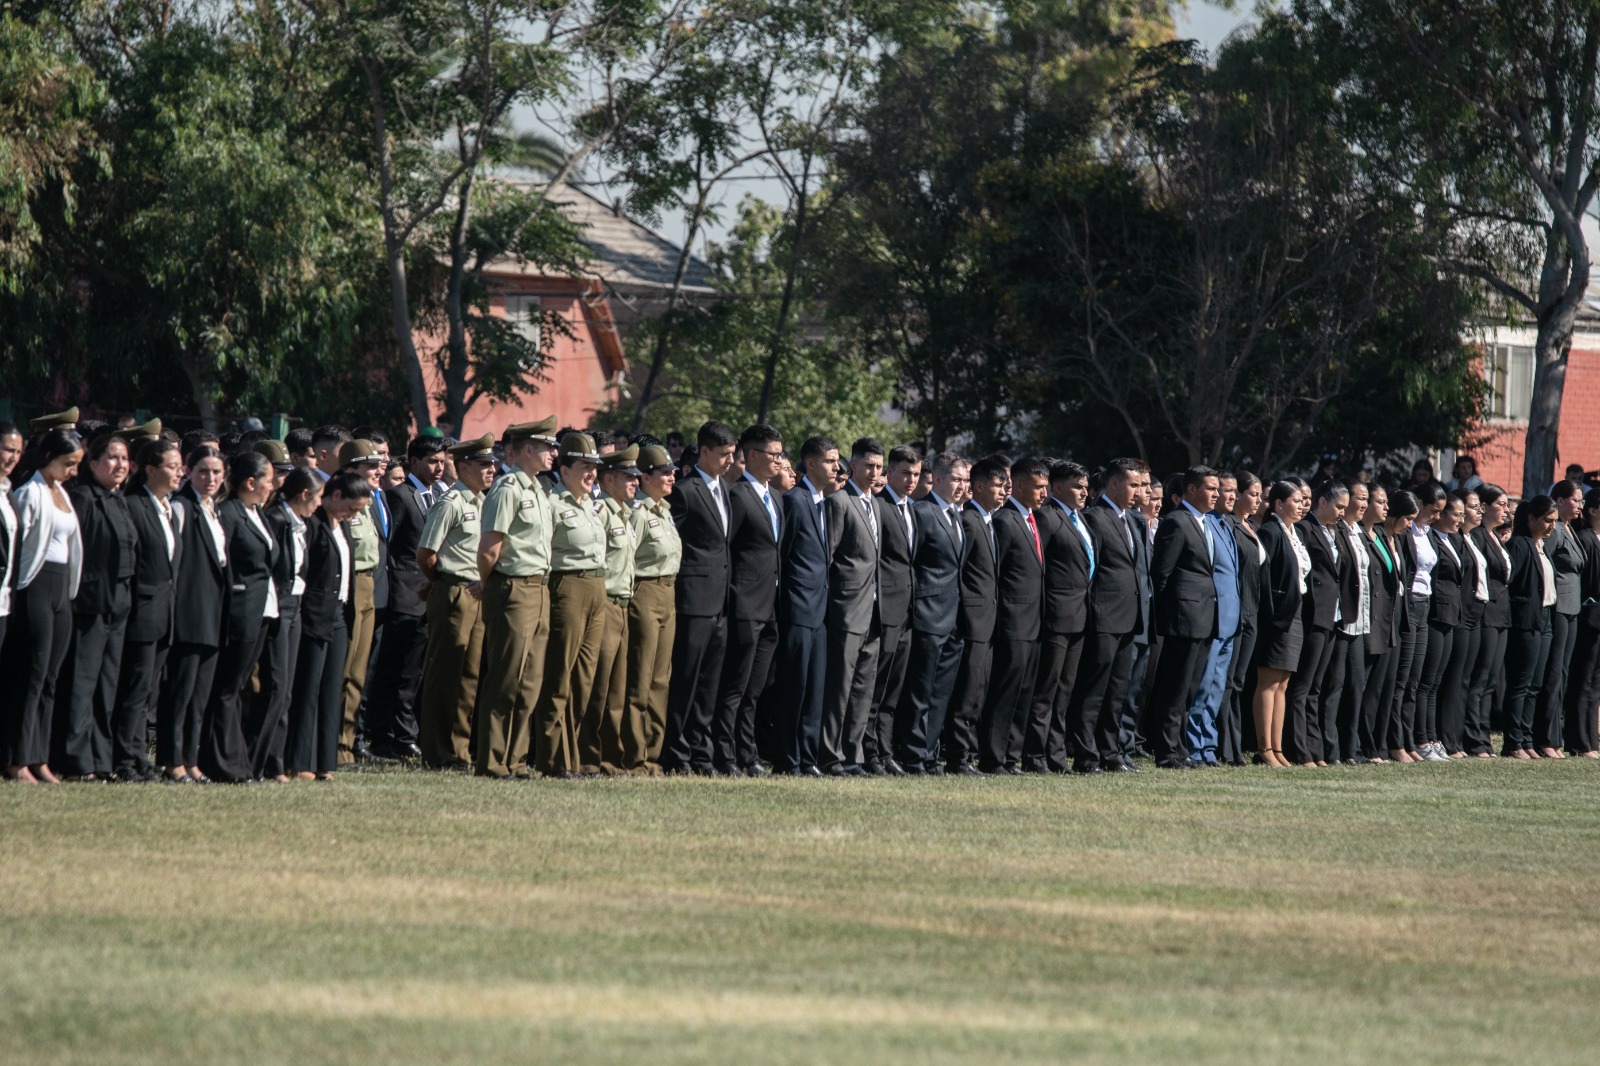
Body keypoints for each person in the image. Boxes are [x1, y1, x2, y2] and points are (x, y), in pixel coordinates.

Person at [475, 418, 560, 778]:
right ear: (527, 450)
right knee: (506, 678)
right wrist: (492, 585)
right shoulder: (507, 488)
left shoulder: (538, 488)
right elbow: (490, 548)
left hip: (538, 588)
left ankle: (517, 759)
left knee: (530, 681)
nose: (553, 454)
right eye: (546, 447)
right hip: (513, 588)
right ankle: (492, 761)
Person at [2, 428, 85, 783]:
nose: (73, 471)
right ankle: (16, 758)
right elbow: (20, 550)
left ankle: (39, 756)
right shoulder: (29, 493)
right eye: (68, 463)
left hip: (60, 589)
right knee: (33, 675)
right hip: (35, 585)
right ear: (49, 457)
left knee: (51, 676)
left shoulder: (63, 493)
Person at [55, 431, 139, 780]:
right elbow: (79, 555)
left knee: (107, 685)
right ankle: (76, 760)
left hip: (119, 604)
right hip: (91, 603)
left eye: (123, 458)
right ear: (92, 464)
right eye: (111, 458)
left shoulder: (120, 499)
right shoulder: (85, 499)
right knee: (82, 683)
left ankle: (101, 760)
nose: (119, 464)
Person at [197, 451, 279, 784]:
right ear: (250, 482)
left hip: (261, 609)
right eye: (268, 480)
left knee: (238, 686)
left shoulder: (255, 512)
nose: (272, 486)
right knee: (227, 688)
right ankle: (223, 763)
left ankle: (237, 761)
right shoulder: (229, 514)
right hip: (240, 611)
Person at [414, 435, 496, 770]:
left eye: (492, 464)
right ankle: (436, 751)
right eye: (483, 465)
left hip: (476, 593)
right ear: (462, 467)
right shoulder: (451, 502)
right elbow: (426, 553)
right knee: (444, 675)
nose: (491, 470)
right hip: (454, 591)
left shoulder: (481, 502)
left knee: (469, 676)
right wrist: (441, 582)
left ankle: (459, 751)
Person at [661, 421, 736, 775]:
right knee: (686, 682)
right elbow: (671, 543)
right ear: (703, 452)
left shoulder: (726, 491)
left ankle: (702, 754)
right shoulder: (685, 491)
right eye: (723, 455)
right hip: (693, 601)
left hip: (721, 602)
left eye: (732, 454)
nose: (728, 461)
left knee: (709, 685)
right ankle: (676, 754)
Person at [365, 436, 445, 760]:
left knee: (415, 671)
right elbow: (391, 546)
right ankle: (384, 736)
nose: (439, 468)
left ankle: (406, 734)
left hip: (429, 594)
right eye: (432, 461)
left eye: (442, 461)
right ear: (414, 462)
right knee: (393, 669)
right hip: (404, 594)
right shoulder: (398, 496)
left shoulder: (440, 495)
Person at [1068, 458, 1150, 774]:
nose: (1139, 492)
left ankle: (1111, 753)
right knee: (1093, 691)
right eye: (1133, 484)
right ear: (1114, 484)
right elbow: (1090, 571)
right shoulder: (1095, 518)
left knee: (1118, 692)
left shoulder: (1132, 520)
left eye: (1142, 485)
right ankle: (1086, 755)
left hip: (1129, 618)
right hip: (1103, 617)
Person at [534, 432, 608, 779]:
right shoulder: (552, 504)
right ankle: (552, 757)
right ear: (563, 469)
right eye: (584, 467)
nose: (592, 474)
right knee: (559, 675)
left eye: (594, 467)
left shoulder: (592, 505)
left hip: (596, 587)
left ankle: (573, 755)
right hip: (567, 586)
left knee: (584, 678)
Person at [286, 472, 366, 780]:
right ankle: (299, 760)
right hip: (313, 614)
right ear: (334, 496)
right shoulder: (313, 524)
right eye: (351, 507)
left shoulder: (341, 524)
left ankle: (323, 761)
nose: (352, 515)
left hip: (339, 615)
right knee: (308, 688)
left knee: (333, 688)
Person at [715, 425, 784, 777]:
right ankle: (725, 755)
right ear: (753, 455)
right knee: (735, 687)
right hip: (744, 605)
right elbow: (729, 551)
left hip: (770, 606)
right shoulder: (738, 496)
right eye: (773, 454)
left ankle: (748, 752)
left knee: (756, 689)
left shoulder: (775, 497)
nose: (779, 461)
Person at [1143, 466, 1222, 769]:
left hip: (1203, 614)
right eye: (1211, 488)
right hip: (1182, 616)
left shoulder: (1205, 522)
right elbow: (1161, 573)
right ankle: (1166, 750)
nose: (1216, 494)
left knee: (1190, 688)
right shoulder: (1176, 521)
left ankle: (1181, 747)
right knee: (1173, 688)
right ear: (1191, 489)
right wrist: (1166, 615)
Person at [896, 452, 969, 774]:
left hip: (953, 617)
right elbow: (911, 563)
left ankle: (928, 754)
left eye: (965, 480)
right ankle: (912, 755)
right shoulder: (921, 512)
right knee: (920, 691)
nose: (962, 486)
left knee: (940, 694)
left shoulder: (957, 516)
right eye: (956, 479)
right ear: (937, 479)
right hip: (927, 614)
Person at [156, 445, 226, 783]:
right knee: (180, 693)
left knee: (200, 695)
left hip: (213, 613)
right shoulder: (181, 507)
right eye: (202, 471)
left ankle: (190, 758)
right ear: (188, 471)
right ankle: (172, 760)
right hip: (188, 613)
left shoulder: (214, 509)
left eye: (216, 472)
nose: (210, 478)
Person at [772, 436, 839, 775]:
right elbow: (784, 556)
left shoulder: (824, 502)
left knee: (815, 689)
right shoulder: (795, 501)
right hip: (798, 608)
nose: (836, 467)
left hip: (820, 611)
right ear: (810, 464)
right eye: (830, 461)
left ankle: (808, 758)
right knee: (794, 688)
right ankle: (787, 758)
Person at [818, 438, 885, 776]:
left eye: (878, 467)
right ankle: (830, 756)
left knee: (863, 689)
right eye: (868, 465)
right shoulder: (838, 502)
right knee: (839, 687)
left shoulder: (877, 505)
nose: (874, 472)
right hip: (845, 610)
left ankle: (852, 755)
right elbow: (826, 559)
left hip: (875, 611)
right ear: (853, 465)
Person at [1023, 460, 1094, 773]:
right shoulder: (1048, 517)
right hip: (1055, 616)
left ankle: (1056, 755)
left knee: (1064, 692)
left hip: (1079, 616)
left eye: (1086, 486)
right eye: (1077, 486)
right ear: (1057, 487)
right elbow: (1040, 569)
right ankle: (1034, 755)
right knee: (1046, 690)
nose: (1084, 492)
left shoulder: (1080, 519)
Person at [982, 456, 1047, 774]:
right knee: (1006, 692)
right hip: (1013, 621)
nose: (1044, 493)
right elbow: (997, 574)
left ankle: (1012, 756)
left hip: (1035, 622)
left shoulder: (1032, 520)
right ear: (1018, 485)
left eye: (1046, 487)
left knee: (1025, 693)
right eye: (1038, 487)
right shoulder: (1005, 521)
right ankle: (994, 757)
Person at [252, 466, 317, 780]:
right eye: (316, 498)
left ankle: (274, 762)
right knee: (275, 686)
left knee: (286, 689)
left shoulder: (299, 524)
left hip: (295, 607)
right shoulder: (277, 520)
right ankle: (258, 761)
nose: (318, 506)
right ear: (304, 494)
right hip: (277, 607)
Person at [623, 445, 682, 774]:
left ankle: (652, 755)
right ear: (644, 477)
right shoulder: (638, 513)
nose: (672, 476)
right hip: (644, 592)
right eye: (664, 472)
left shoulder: (664, 510)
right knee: (640, 677)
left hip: (667, 593)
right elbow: (627, 560)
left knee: (661, 679)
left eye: (672, 471)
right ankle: (634, 755)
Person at [945, 455, 1004, 774]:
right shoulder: (968, 519)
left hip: (989, 620)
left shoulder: (988, 520)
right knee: (966, 691)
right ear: (978, 488)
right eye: (996, 485)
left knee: (979, 690)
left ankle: (970, 753)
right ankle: (958, 756)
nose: (1002, 491)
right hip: (972, 620)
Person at [586, 446, 641, 776]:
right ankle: (588, 757)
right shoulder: (600, 512)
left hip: (623, 604)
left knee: (617, 687)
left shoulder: (622, 512)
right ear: (608, 479)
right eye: (627, 477)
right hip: (604, 603)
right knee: (599, 685)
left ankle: (610, 757)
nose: (635, 482)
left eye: (636, 476)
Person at [1286, 480, 1349, 767]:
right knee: (1302, 687)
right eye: (1338, 506)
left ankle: (1316, 751)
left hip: (1332, 615)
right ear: (1321, 502)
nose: (1342, 513)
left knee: (1316, 687)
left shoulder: (1334, 531)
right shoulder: (1305, 528)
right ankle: (1300, 751)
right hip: (1313, 614)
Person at [866, 444, 920, 775]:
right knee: (876, 687)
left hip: (908, 612)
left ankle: (885, 753)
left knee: (893, 690)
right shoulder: (879, 506)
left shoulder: (910, 509)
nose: (911, 479)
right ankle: (869, 752)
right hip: (885, 611)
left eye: (915, 474)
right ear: (889, 473)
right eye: (904, 473)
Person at [1185, 470, 1241, 767]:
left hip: (1229, 620)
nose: (1222, 495)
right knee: (1202, 686)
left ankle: (1209, 747)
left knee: (1217, 688)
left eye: (1228, 490)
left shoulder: (1224, 524)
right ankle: (1195, 747)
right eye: (1217, 489)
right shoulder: (1203, 525)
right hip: (1211, 618)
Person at [1254, 481, 1309, 767]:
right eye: (1296, 500)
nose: (1301, 505)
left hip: (1295, 613)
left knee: (1283, 684)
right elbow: (1264, 579)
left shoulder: (1293, 532)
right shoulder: (1271, 531)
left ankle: (1277, 749)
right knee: (1268, 681)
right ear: (1278, 504)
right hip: (1276, 617)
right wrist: (1272, 615)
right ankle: (1264, 749)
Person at [1502, 496, 1559, 759]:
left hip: (1544, 619)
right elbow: (1511, 584)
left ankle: (1526, 738)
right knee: (1521, 683)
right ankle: (1514, 742)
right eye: (1547, 520)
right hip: (1526, 622)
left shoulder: (1541, 546)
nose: (1552, 527)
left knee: (1535, 684)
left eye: (1554, 522)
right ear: (1531, 519)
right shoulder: (1520, 544)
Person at [1220, 472, 1265, 767]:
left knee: (1238, 682)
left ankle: (1235, 747)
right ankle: (1225, 747)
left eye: (1260, 495)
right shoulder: (1229, 526)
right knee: (1227, 683)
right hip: (1235, 612)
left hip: (1252, 612)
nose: (1258, 499)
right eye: (1253, 494)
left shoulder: (1251, 526)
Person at [1438, 489, 1487, 757]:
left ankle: (1457, 739)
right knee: (1454, 679)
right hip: (1459, 615)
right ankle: (1448, 739)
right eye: (1472, 507)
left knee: (1466, 679)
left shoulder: (1472, 538)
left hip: (1475, 614)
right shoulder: (1454, 540)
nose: (1478, 511)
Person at [1357, 485, 1404, 763]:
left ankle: (1378, 745)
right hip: (1370, 619)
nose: (1386, 508)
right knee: (1368, 688)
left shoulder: (1382, 537)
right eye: (1380, 502)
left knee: (1384, 687)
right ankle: (1365, 745)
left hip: (1389, 620)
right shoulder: (1361, 536)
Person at [1537, 480, 1583, 758]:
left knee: (1563, 673)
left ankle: (1556, 735)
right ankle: (1547, 737)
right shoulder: (1555, 532)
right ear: (1561, 501)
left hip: (1573, 608)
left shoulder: (1570, 530)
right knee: (1554, 674)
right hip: (1558, 607)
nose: (1580, 505)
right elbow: (1546, 564)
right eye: (1576, 500)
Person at [1468, 485, 1512, 758]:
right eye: (1501, 504)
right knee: (1479, 678)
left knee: (1491, 681)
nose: (1506, 510)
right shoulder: (1477, 536)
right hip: (1485, 613)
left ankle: (1484, 737)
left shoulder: (1494, 537)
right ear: (1484, 506)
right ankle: (1473, 737)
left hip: (1501, 615)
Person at [1566, 487, 1600, 758]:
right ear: (1593, 510)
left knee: (1596, 683)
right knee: (1583, 679)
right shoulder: (1586, 539)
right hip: (1590, 617)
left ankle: (1591, 739)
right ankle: (1579, 741)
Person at [0, 423, 21, 659]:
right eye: (8, 450)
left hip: (5, 601)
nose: (13, 457)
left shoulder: (9, 493)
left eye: (18, 452)